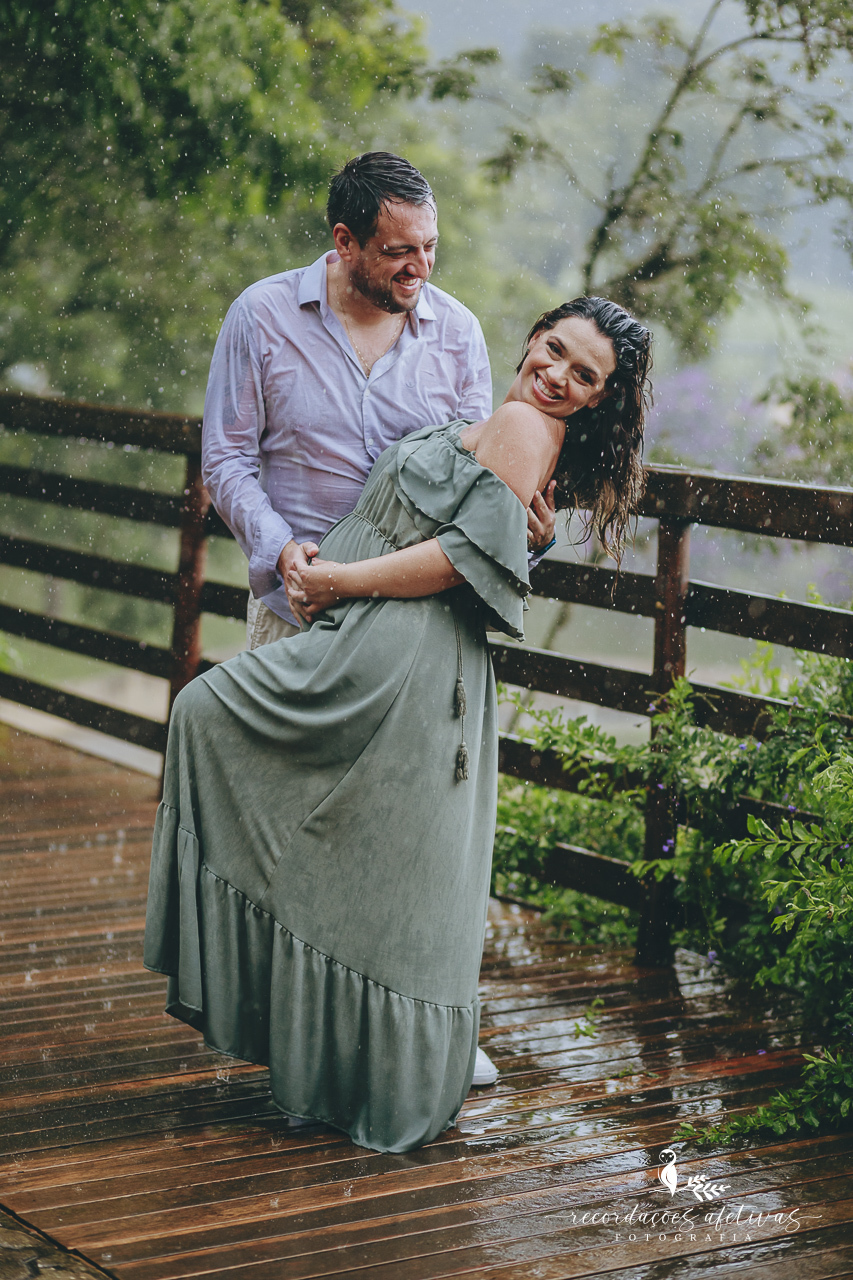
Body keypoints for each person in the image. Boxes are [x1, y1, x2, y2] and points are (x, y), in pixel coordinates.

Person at [144, 296, 652, 1153]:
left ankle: (348, 1055)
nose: (557, 374)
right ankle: (337, 1060)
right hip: (382, 647)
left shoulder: (528, 430)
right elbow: (479, 532)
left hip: (395, 653)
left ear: (601, 398)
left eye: (583, 374)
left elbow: (458, 559)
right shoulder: (508, 416)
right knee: (365, 861)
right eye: (554, 349)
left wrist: (339, 583)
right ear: (533, 335)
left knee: (213, 719)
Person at [201, 151, 557, 649]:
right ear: (345, 241)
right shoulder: (259, 317)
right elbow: (225, 459)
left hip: (412, 626)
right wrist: (281, 550)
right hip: (293, 613)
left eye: (430, 247)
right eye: (399, 251)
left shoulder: (459, 334)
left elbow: (474, 487)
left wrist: (530, 540)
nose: (421, 268)